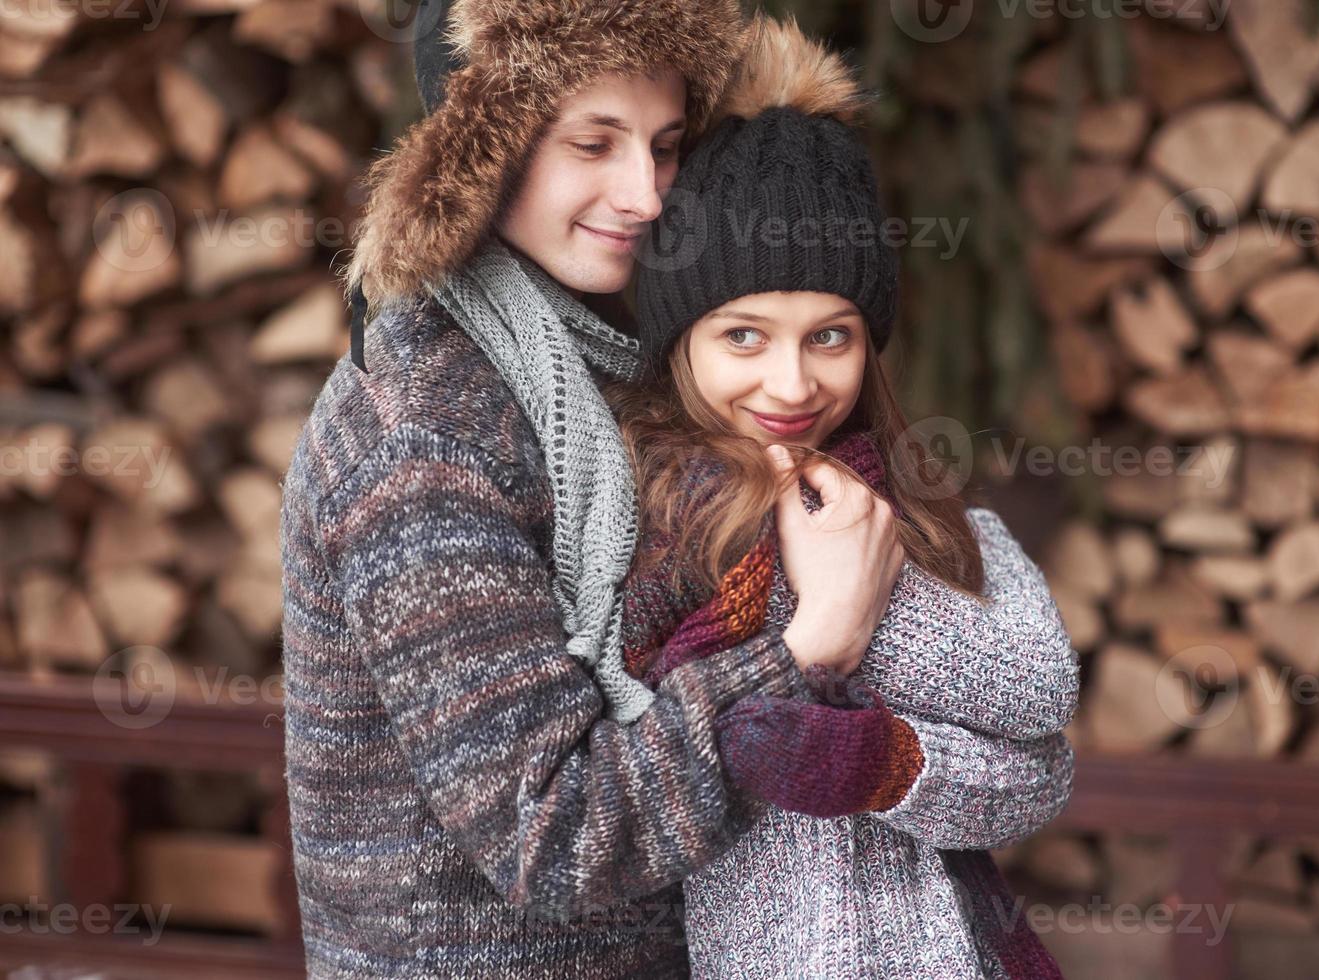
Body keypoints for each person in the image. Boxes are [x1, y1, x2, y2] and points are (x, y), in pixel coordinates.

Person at [280, 1, 1059, 976]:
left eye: (665, 143)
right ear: (486, 151)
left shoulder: (639, 362)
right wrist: (813, 643)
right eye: (592, 144)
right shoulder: (420, 433)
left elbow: (1021, 726)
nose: (644, 193)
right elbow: (551, 832)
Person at [606, 15, 1077, 977]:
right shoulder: (637, 548)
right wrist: (821, 613)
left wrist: (879, 760)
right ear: (680, 343)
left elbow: (1041, 734)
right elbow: (597, 795)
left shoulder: (936, 527)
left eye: (831, 336)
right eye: (744, 336)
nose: (792, 385)